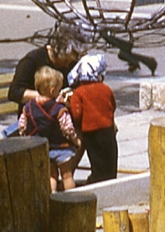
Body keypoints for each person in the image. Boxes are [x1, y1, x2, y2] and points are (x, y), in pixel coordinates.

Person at [16, 66, 84, 191]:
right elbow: (67, 129)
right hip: (61, 147)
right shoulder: (59, 109)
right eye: (58, 90)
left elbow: (22, 126)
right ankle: (71, 196)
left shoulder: (28, 107)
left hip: (43, 148)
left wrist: (26, 138)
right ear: (52, 91)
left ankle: (52, 196)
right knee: (67, 175)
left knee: (51, 175)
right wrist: (76, 141)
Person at [66, 54, 118, 184]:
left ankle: (96, 179)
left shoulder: (79, 92)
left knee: (97, 159)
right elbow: (113, 105)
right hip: (108, 130)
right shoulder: (106, 89)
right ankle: (110, 178)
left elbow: (76, 114)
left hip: (91, 132)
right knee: (109, 157)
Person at [9, 22, 86, 107]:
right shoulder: (32, 60)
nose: (67, 65)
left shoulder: (71, 63)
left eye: (70, 62)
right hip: (35, 112)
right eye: (65, 61)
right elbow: (14, 93)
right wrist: (49, 97)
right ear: (57, 52)